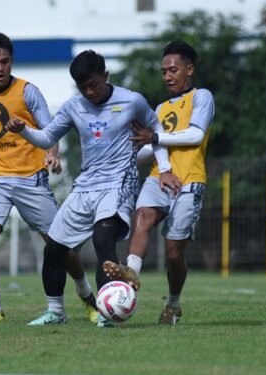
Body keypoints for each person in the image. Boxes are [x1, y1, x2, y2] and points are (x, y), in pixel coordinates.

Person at [6, 50, 180, 327]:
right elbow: (48, 136)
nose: (89, 92)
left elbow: (156, 129)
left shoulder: (132, 101)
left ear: (105, 76)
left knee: (103, 239)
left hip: (118, 183)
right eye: (82, 87)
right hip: (86, 185)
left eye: (93, 85)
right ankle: (55, 312)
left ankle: (106, 312)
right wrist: (23, 130)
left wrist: (165, 169)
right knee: (53, 249)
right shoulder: (74, 106)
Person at [0, 32, 97, 324]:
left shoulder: (27, 91)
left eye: (5, 61)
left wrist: (53, 154)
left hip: (30, 178)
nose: (0, 68)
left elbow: (50, 129)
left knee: (58, 245)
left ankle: (86, 294)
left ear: (11, 61)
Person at [103, 40, 215, 325]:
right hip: (159, 177)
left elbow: (194, 136)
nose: (167, 76)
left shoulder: (202, 97)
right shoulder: (161, 108)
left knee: (174, 254)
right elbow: (153, 147)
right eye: (164, 71)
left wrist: (154, 137)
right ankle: (131, 276)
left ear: (189, 70)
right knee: (142, 216)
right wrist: (128, 151)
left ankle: (173, 304)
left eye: (173, 70)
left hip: (190, 180)